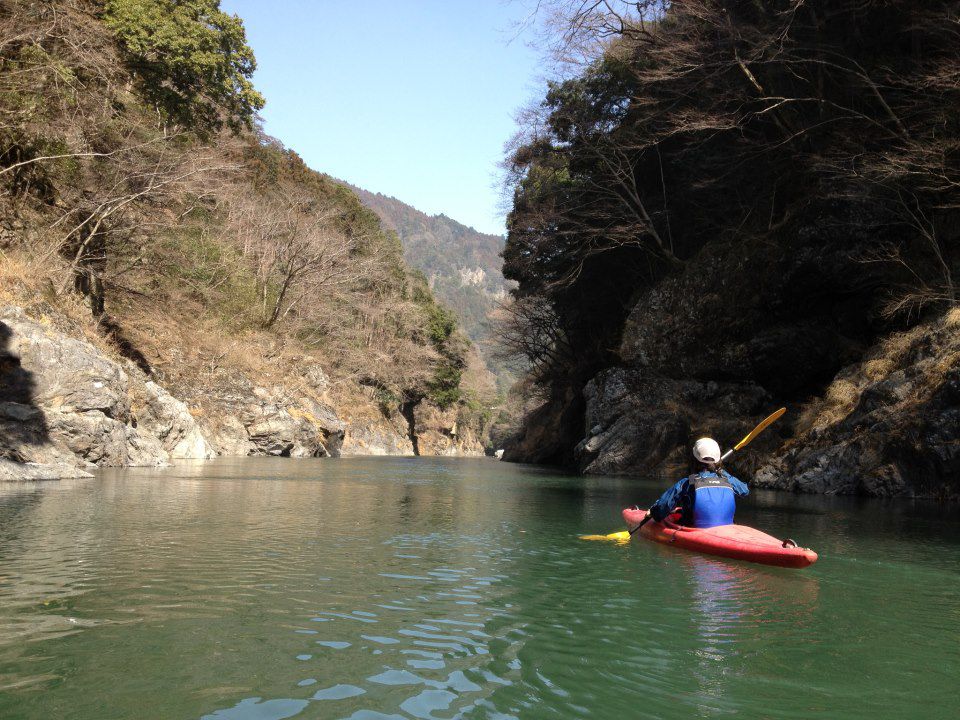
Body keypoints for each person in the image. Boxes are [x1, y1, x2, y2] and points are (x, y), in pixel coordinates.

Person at [648, 437, 749, 528]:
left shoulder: (687, 483)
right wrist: (720, 470)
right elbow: (744, 490)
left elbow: (660, 512)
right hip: (726, 529)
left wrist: (652, 512)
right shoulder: (727, 480)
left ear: (694, 459)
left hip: (694, 529)